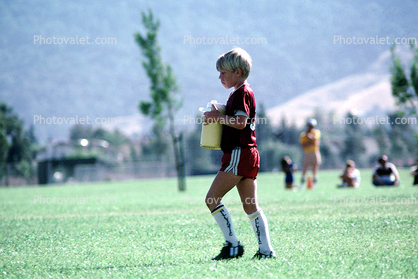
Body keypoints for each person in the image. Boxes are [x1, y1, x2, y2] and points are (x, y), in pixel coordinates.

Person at [202, 48, 275, 260]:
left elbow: (241, 122)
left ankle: (233, 245)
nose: (220, 76)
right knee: (251, 206)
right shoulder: (240, 92)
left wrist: (217, 117)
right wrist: (222, 110)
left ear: (238, 72)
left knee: (211, 199)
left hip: (238, 154)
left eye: (223, 72)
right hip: (250, 154)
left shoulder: (242, 92)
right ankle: (266, 251)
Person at [299, 118, 321, 188]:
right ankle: (302, 185)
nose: (310, 127)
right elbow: (303, 145)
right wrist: (311, 143)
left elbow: (314, 140)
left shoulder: (316, 132)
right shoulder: (303, 135)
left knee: (315, 169)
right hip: (307, 153)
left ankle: (314, 185)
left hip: (315, 152)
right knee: (305, 168)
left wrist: (309, 140)